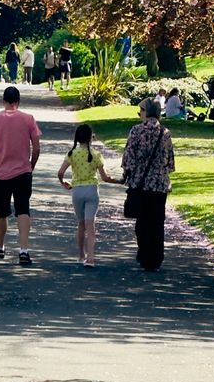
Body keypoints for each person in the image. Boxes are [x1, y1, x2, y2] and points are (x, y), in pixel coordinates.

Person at [0, 85, 41, 265]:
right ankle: (24, 250)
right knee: (23, 210)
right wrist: (31, 164)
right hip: (23, 171)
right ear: (18, 101)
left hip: (1, 173)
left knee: (1, 212)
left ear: (3, 101)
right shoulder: (28, 119)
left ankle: (0, 248)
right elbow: (37, 147)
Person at [121, 97, 175, 271]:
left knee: (142, 221)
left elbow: (128, 158)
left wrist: (127, 174)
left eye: (140, 111)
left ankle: (144, 254)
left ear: (147, 112)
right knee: (157, 222)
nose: (139, 114)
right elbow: (170, 162)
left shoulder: (137, 131)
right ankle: (156, 257)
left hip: (140, 184)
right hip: (159, 184)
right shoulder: (165, 133)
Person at [58, 123, 119, 266]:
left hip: (77, 191)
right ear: (90, 137)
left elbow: (60, 172)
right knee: (90, 224)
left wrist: (63, 182)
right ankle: (90, 258)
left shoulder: (72, 154)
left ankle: (81, 255)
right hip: (91, 190)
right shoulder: (96, 155)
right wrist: (118, 181)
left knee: (81, 224)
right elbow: (105, 178)